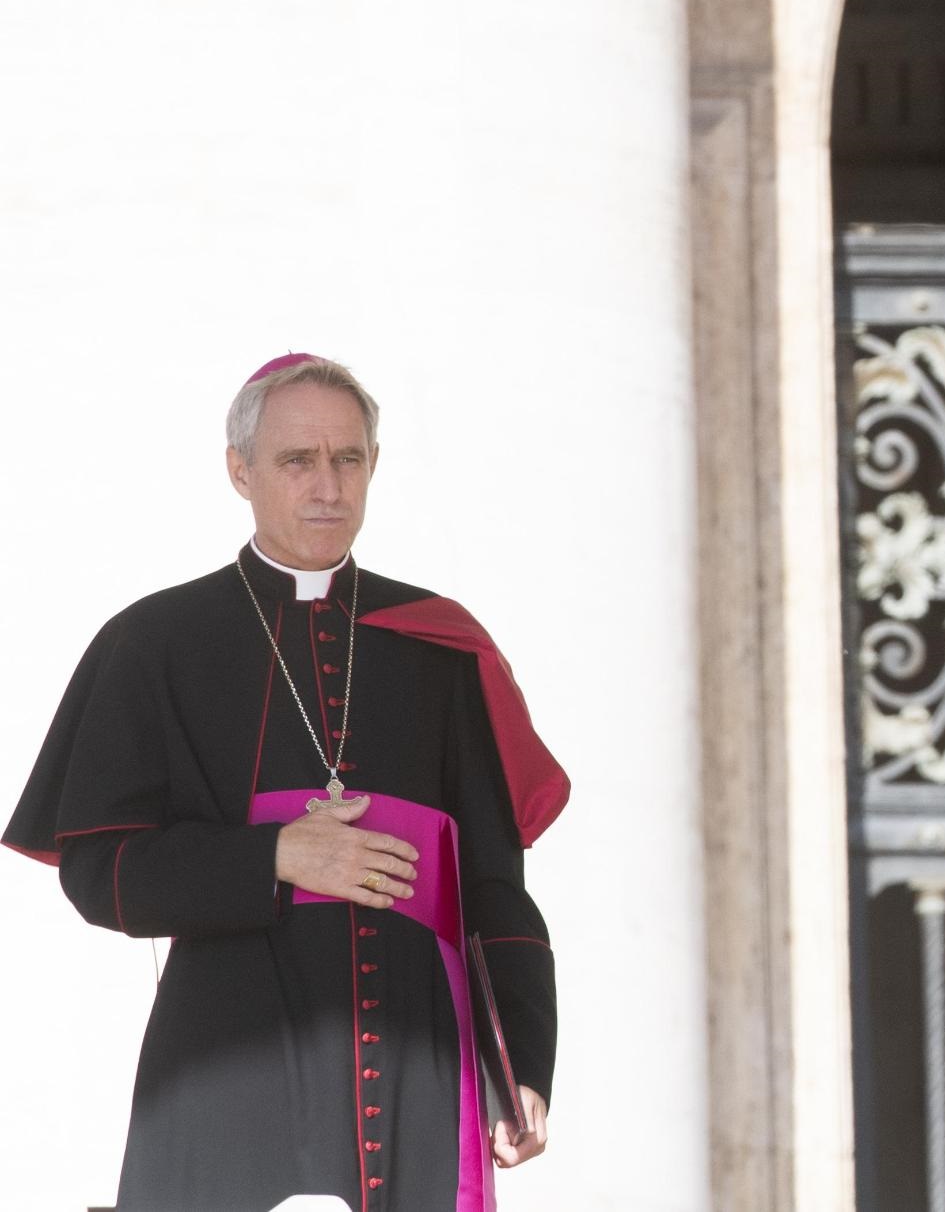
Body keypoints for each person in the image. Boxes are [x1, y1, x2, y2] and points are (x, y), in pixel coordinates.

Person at [7, 353, 568, 1211]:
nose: (328, 487)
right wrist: (274, 856)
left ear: (374, 467)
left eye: (348, 459)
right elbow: (99, 874)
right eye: (297, 461)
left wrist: (520, 1062)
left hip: (415, 1064)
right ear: (241, 471)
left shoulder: (439, 648)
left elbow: (493, 883)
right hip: (227, 1069)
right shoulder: (153, 644)